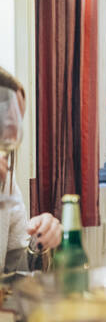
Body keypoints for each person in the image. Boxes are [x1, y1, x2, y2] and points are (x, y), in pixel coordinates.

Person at [0, 66, 61, 273]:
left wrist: (38, 242)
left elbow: (15, 269)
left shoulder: (6, 181)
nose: (15, 131)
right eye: (8, 119)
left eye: (19, 119)